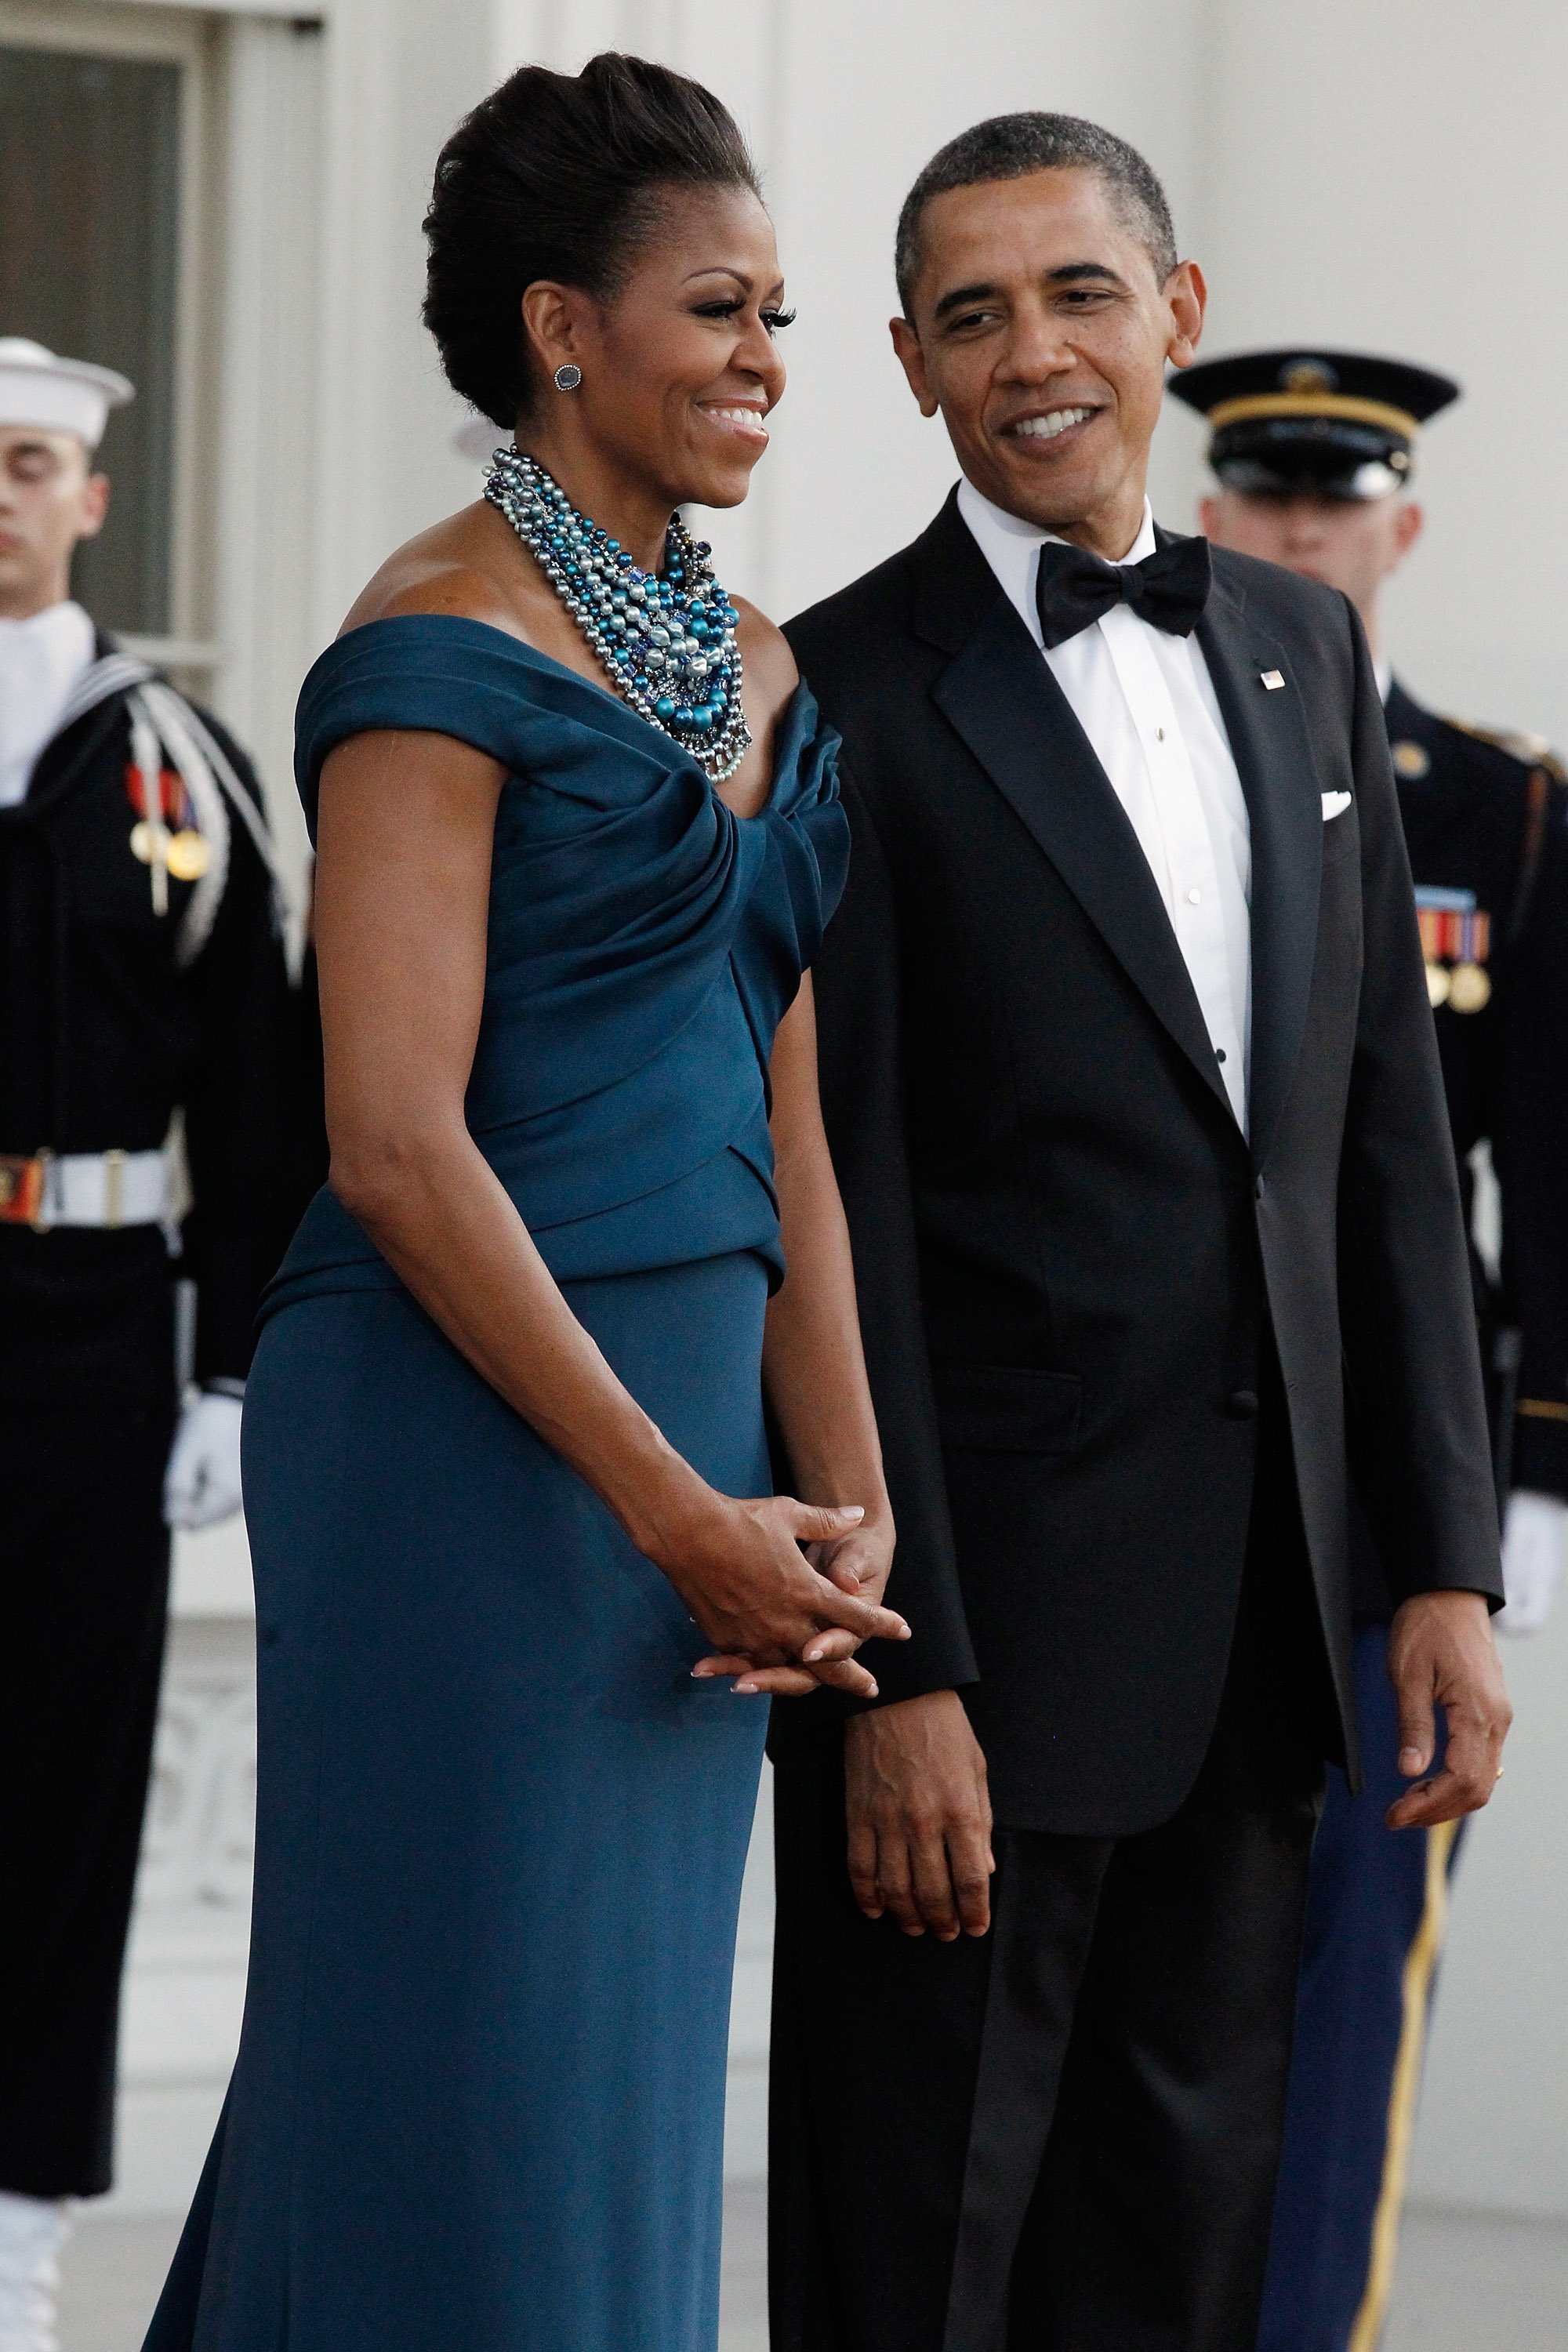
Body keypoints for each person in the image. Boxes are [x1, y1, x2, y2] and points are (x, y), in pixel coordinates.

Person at [141, 53, 906, 2352]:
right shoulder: (431, 647)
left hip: (699, 1451)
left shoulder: (759, 666)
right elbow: (389, 1137)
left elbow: (790, 1119)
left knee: (610, 2076)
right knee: (454, 2056)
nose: (769, 362)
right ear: (564, 331)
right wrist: (677, 1506)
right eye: (719, 310)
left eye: (782, 315)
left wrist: (845, 1503)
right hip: (461, 1431)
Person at [766, 114, 1512, 2352]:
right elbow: (842, 1213)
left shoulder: (1298, 644)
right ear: (907, 363)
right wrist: (904, 1673)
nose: (1034, 354)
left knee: (1179, 2272)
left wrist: (1441, 1564)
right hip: (973, 1668)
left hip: (1267, 1645)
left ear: (1173, 317)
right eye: (972, 315)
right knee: (921, 2268)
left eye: (1079, 293)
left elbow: (1380, 1139)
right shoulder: (833, 697)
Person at [1178, 346, 1568, 2352]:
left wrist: (1524, 1476)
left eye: (1339, 507)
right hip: (1147, 1452)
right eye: (1265, 501)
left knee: (1347, 1967)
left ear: (1398, 532)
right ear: (1208, 514)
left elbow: (1543, 1164)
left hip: (1389, 1483)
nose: (1302, 535)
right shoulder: (1116, 737)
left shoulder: (1497, 808)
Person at [0, 339, 302, 2352]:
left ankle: (11, 2241)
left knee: (54, 1785)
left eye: (27, 465)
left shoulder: (174, 765)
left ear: (92, 496)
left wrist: (227, 1373)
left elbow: (268, 1095)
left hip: (90, 1335)